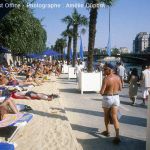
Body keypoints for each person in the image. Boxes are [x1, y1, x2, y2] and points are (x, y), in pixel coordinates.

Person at [100, 63, 122, 144]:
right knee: (114, 117)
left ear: (110, 70)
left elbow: (101, 92)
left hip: (107, 98)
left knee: (106, 115)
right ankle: (117, 136)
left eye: (105, 69)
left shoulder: (106, 79)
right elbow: (120, 88)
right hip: (116, 98)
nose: (104, 70)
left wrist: (103, 91)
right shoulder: (118, 78)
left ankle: (107, 131)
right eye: (103, 69)